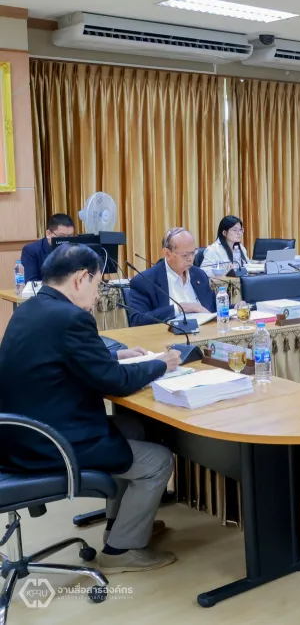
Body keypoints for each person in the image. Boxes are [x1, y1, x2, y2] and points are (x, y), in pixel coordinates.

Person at [0, 244, 181, 572]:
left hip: (21, 435)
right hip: (52, 443)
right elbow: (116, 382)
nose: (98, 295)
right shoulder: (71, 317)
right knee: (159, 461)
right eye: (97, 284)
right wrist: (161, 364)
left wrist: (116, 355)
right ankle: (121, 551)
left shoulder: (32, 308)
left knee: (134, 429)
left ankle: (121, 525)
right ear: (81, 278)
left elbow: (61, 358)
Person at [125, 227, 216, 327]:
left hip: (206, 333)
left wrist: (230, 306)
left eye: (193, 253)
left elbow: (214, 307)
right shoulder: (144, 281)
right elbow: (137, 321)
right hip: (168, 335)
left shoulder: (199, 275)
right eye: (185, 255)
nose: (190, 259)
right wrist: (180, 308)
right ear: (167, 254)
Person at [20, 213, 75, 282]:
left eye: (70, 237)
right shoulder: (31, 250)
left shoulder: (77, 249)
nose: (66, 241)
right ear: (48, 234)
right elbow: (31, 282)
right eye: (61, 237)